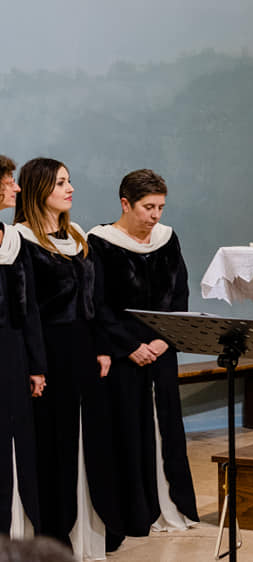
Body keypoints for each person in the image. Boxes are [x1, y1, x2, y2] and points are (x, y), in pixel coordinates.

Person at [13, 158, 121, 558]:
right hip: (51, 350)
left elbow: (95, 301)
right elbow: (29, 311)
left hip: (84, 349)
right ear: (39, 188)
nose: (70, 187)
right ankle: (55, 532)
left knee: (90, 437)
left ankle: (92, 529)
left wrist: (103, 346)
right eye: (60, 182)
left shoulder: (76, 235)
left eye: (69, 180)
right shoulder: (22, 239)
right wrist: (35, 364)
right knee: (54, 440)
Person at [87, 169, 198, 549]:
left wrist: (165, 341)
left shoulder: (167, 239)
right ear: (125, 204)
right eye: (148, 207)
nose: (155, 216)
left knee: (166, 425)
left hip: (161, 351)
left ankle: (170, 505)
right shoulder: (100, 242)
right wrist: (130, 346)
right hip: (124, 355)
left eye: (161, 207)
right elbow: (98, 305)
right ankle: (135, 510)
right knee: (129, 429)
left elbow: (179, 293)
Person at [0, 156, 45, 539]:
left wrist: (36, 365)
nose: (16, 188)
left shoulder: (13, 240)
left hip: (12, 353)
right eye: (9, 180)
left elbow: (28, 309)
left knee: (13, 442)